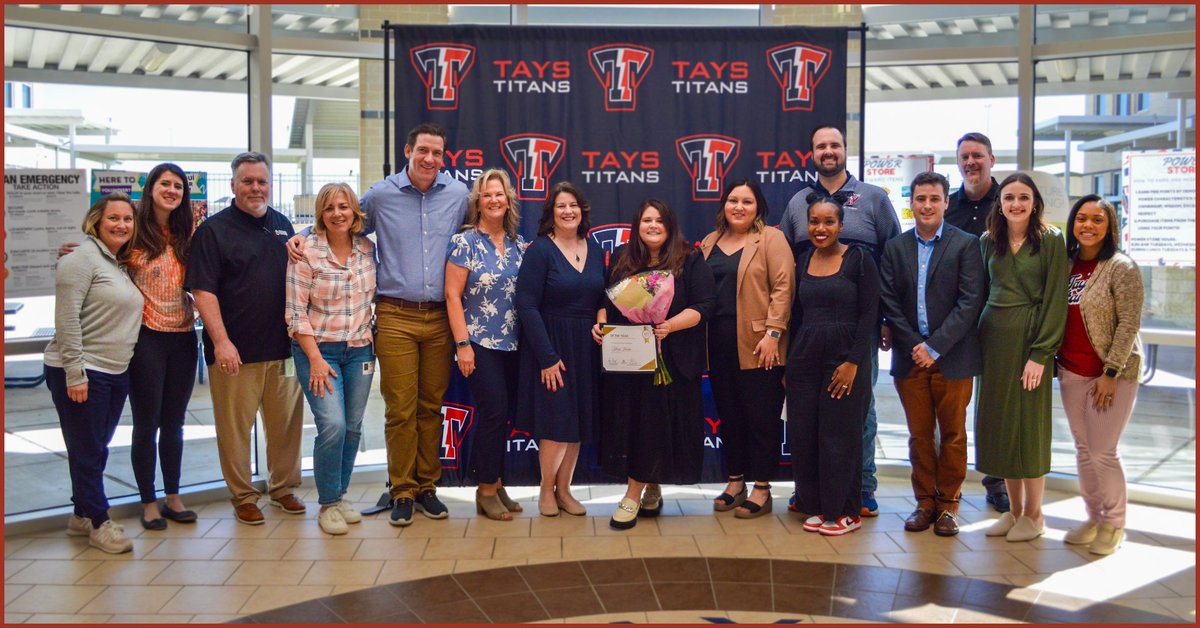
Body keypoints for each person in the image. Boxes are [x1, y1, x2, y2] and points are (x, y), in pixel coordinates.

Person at [780, 124, 900, 517]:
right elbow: (785, 267)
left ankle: (861, 488)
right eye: (820, 146)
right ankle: (810, 492)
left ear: (846, 150)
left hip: (856, 325)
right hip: (810, 329)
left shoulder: (874, 198)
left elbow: (893, 261)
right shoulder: (798, 203)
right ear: (811, 153)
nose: (828, 151)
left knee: (858, 409)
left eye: (835, 145)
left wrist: (886, 321)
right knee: (810, 416)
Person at [185, 152, 306, 526]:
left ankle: (282, 488)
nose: (256, 188)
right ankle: (243, 496)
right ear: (233, 185)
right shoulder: (213, 231)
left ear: (270, 185)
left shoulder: (283, 225)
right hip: (235, 353)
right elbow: (202, 292)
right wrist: (221, 342)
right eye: (248, 181)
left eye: (262, 181)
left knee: (286, 426)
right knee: (236, 430)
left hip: (283, 350)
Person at [597, 199, 716, 530]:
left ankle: (633, 494)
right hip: (632, 361)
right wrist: (601, 321)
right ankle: (647, 486)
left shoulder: (689, 259)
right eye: (646, 220)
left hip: (675, 362)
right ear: (637, 225)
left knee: (658, 425)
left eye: (659, 220)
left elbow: (706, 304)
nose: (652, 225)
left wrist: (669, 326)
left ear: (670, 225)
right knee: (640, 424)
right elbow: (606, 300)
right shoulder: (623, 258)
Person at [879, 172, 985, 538]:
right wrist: (917, 346)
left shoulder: (967, 245)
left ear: (945, 202)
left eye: (934, 199)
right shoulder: (896, 247)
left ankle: (949, 507)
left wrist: (936, 345)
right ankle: (925, 503)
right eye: (920, 198)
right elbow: (889, 301)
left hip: (953, 359)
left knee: (953, 435)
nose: (927, 205)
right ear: (912, 203)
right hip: (911, 359)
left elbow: (970, 302)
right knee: (919, 436)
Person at [43, 193, 143, 553]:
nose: (121, 225)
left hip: (114, 371)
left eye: (127, 219)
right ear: (96, 222)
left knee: (94, 449)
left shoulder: (115, 262)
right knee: (87, 451)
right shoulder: (80, 260)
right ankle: (100, 523)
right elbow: (66, 320)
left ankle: (81, 514)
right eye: (113, 218)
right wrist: (75, 373)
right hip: (85, 370)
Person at [976, 173, 1068, 542]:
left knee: (1029, 426)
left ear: (1034, 202)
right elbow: (981, 292)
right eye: (1009, 197)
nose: (1016, 204)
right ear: (1000, 203)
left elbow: (1056, 298)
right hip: (993, 342)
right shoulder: (988, 241)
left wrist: (1041, 354)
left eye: (1023, 197)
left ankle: (1036, 513)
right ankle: (1014, 512)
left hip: (1031, 341)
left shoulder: (1050, 241)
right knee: (999, 426)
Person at [285, 182, 377, 535]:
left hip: (359, 351)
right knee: (333, 425)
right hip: (318, 350)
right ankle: (327, 504)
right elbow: (295, 314)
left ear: (354, 211)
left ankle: (339, 496)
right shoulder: (304, 252)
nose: (337, 213)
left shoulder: (367, 249)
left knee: (353, 427)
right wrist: (315, 358)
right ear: (320, 215)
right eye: (329, 208)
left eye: (344, 206)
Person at [699, 178, 794, 518]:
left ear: (759, 207)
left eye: (747, 201)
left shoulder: (771, 238)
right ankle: (736, 482)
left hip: (760, 347)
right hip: (718, 347)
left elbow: (784, 288)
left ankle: (763, 489)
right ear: (723, 204)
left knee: (762, 421)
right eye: (733, 200)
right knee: (731, 418)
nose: (739, 206)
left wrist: (774, 333)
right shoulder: (710, 242)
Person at [787, 193, 880, 536]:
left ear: (842, 225)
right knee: (805, 432)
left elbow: (870, 314)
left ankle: (846, 512)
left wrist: (854, 362)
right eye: (814, 221)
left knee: (838, 434)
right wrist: (789, 366)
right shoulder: (801, 260)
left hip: (845, 357)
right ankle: (816, 506)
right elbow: (795, 315)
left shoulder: (860, 259)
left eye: (829, 222)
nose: (820, 228)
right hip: (804, 357)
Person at [1057, 195, 1144, 555]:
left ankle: (1115, 523)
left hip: (1112, 375)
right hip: (1072, 371)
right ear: (1073, 224)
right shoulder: (1066, 265)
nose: (1088, 225)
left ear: (1109, 227)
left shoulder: (1120, 267)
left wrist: (1110, 372)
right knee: (1082, 449)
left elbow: (1129, 324)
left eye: (1097, 220)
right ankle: (1094, 517)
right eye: (1082, 219)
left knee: (1103, 451)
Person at [515, 181, 605, 518]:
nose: (568, 211)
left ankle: (565, 490)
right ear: (551, 214)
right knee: (556, 424)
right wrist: (547, 357)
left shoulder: (594, 248)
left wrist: (600, 318)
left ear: (582, 211)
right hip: (550, 344)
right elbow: (526, 305)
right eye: (560, 206)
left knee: (577, 422)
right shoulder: (540, 250)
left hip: (587, 346)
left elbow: (602, 295)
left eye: (573, 205)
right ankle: (545, 489)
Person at [445, 169, 526, 521]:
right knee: (493, 411)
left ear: (508, 201)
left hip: (514, 344)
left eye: (500, 194)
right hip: (478, 343)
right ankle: (485, 490)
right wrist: (463, 344)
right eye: (488, 194)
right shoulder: (464, 243)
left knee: (504, 414)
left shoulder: (519, 245)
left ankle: (496, 479)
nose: (495, 200)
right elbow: (451, 294)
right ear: (477, 202)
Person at [127, 163, 200, 531]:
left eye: (178, 186)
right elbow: (103, 257)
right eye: (165, 184)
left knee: (174, 423)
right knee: (146, 423)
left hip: (184, 338)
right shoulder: (133, 231)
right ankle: (148, 502)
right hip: (146, 338)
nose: (172, 190)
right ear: (151, 188)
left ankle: (173, 496)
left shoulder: (188, 233)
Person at [946, 131, 1010, 513]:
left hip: (997, 318)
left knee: (994, 405)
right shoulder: (947, 206)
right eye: (965, 157)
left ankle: (997, 479)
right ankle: (945, 483)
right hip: (955, 322)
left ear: (991, 159)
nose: (971, 162)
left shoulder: (1009, 203)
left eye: (978, 156)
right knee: (952, 410)